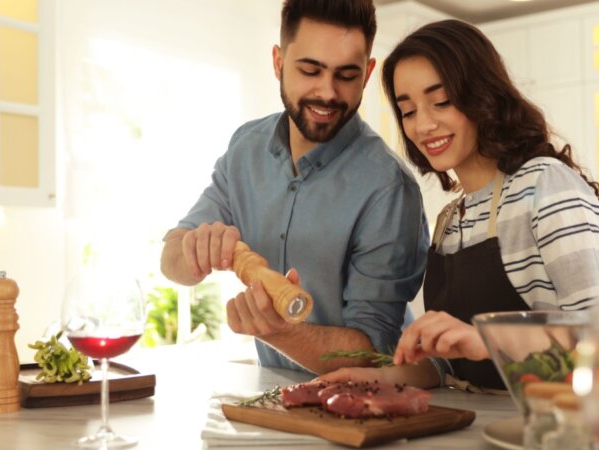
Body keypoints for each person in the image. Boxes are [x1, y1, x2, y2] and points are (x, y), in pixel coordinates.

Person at [319, 19, 599, 391]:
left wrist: (491, 340)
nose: (423, 125)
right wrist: (376, 378)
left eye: (441, 101)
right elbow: (451, 365)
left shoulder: (543, 184)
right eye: (409, 110)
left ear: (482, 95)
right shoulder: (450, 220)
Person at [160, 0, 429, 375]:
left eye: (346, 75)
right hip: (274, 394)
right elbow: (171, 254)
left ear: (367, 74)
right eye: (310, 69)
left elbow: (373, 351)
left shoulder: (388, 188)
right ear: (278, 62)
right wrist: (193, 253)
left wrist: (280, 332)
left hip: (362, 403)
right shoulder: (245, 149)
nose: (328, 92)